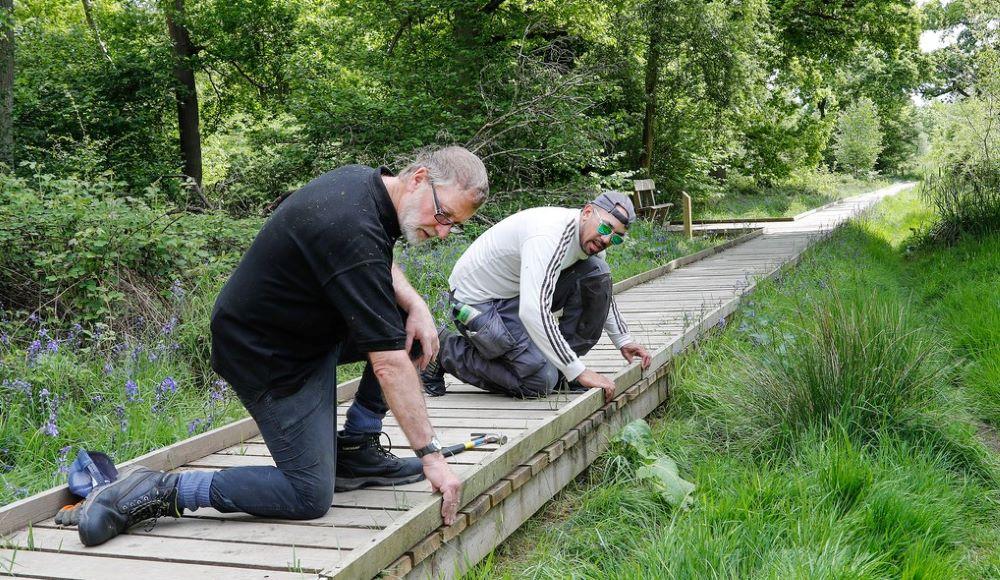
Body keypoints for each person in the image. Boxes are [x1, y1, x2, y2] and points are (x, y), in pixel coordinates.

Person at [77, 146, 489, 547]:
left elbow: (375, 259)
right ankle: (160, 489)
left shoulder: (364, 187)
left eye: (455, 224)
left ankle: (357, 448)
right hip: (265, 355)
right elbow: (388, 363)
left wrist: (415, 304)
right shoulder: (351, 224)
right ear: (418, 179)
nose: (443, 231)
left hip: (306, 334)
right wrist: (432, 457)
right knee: (307, 494)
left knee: (406, 327)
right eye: (443, 215)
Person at [421, 192, 651, 402]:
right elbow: (534, 311)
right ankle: (446, 352)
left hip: (516, 293)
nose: (607, 239)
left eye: (617, 237)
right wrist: (579, 370)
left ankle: (561, 370)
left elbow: (599, 289)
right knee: (539, 382)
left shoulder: (588, 238)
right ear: (587, 212)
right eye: (605, 229)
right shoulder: (549, 235)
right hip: (475, 302)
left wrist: (624, 340)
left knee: (596, 271)